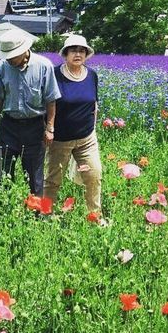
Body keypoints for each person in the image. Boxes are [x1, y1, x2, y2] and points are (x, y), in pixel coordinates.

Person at [0, 28, 61, 198]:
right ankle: (4, 213)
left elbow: (51, 99)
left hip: (34, 127)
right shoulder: (2, 67)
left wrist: (50, 128)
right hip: (9, 126)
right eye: (6, 56)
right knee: (4, 174)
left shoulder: (44, 66)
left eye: (12, 55)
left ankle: (39, 217)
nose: (9, 59)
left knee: (35, 177)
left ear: (23, 51)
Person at [43, 34, 103, 217]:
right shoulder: (53, 75)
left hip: (87, 139)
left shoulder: (92, 75)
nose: (78, 54)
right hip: (60, 140)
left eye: (82, 51)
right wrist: (48, 129)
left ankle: (94, 215)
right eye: (73, 50)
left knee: (94, 176)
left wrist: (93, 127)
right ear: (65, 54)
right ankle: (45, 214)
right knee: (52, 180)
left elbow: (94, 104)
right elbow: (45, 103)